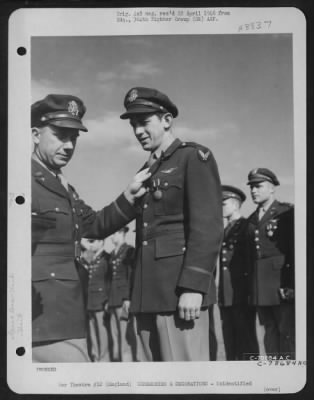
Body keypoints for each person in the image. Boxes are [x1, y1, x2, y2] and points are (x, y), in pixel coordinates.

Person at [31, 94, 150, 362]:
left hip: (68, 312)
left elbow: (93, 224)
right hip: (41, 317)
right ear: (36, 134)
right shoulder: (24, 181)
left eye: (74, 137)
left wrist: (129, 197)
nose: (69, 145)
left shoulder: (62, 185)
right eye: (61, 135)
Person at [120, 87, 223, 361]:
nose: (138, 130)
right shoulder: (145, 171)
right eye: (133, 125)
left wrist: (193, 286)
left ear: (166, 120)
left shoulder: (193, 157)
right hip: (147, 295)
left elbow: (207, 226)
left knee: (186, 380)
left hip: (179, 296)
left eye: (144, 122)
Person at [246, 168, 295, 359]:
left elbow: (293, 251)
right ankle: (275, 372)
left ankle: (289, 374)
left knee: (287, 331)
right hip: (261, 286)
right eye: (252, 187)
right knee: (270, 332)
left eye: (258, 186)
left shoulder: (286, 212)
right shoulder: (251, 220)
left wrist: (291, 284)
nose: (254, 191)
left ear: (272, 188)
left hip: (281, 284)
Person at [219, 185, 259, 360]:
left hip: (242, 293)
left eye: (224, 203)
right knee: (230, 342)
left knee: (246, 341)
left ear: (236, 205)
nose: (220, 206)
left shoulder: (246, 227)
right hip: (226, 295)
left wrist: (251, 291)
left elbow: (252, 261)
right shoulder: (224, 230)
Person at [107, 226, 136, 361]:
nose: (112, 237)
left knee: (125, 336)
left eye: (114, 234)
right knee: (115, 335)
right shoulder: (113, 253)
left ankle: (126, 363)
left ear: (122, 233)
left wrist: (128, 298)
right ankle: (117, 362)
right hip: (113, 299)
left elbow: (130, 275)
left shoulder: (129, 251)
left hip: (123, 299)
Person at [81, 238, 110, 362]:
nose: (91, 245)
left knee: (102, 333)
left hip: (101, 301)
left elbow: (110, 281)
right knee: (92, 332)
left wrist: (108, 300)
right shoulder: (90, 257)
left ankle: (104, 359)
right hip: (89, 302)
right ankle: (95, 357)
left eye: (94, 241)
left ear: (102, 242)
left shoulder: (107, 258)